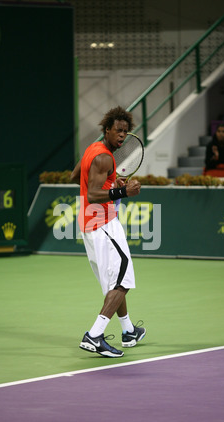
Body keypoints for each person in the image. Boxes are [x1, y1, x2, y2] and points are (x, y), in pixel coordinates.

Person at [70, 106, 146, 358]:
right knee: (123, 280)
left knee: (114, 281)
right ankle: (94, 335)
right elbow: (92, 195)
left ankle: (128, 331)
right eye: (118, 131)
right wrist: (123, 191)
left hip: (89, 225)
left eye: (125, 131)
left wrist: (110, 182)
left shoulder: (93, 150)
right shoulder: (104, 157)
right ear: (107, 130)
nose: (122, 136)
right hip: (103, 223)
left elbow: (75, 176)